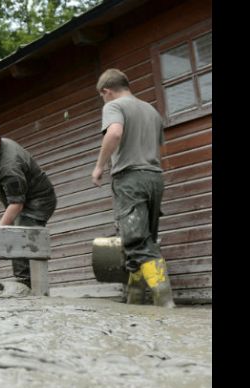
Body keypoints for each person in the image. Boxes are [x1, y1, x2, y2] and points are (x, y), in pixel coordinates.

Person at [91, 68, 175, 308]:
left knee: (136, 242)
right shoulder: (152, 111)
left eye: (102, 96)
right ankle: (135, 301)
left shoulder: (113, 106)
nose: (103, 100)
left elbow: (115, 133)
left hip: (130, 179)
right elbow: (155, 146)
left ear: (106, 91)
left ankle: (166, 302)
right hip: (154, 178)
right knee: (144, 241)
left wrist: (99, 166)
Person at [0, 116, 56, 290]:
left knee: (19, 234)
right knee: (16, 230)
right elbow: (15, 180)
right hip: (27, 196)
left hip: (38, 202)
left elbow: (16, 204)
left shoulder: (10, 165)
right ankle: (26, 281)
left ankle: (25, 283)